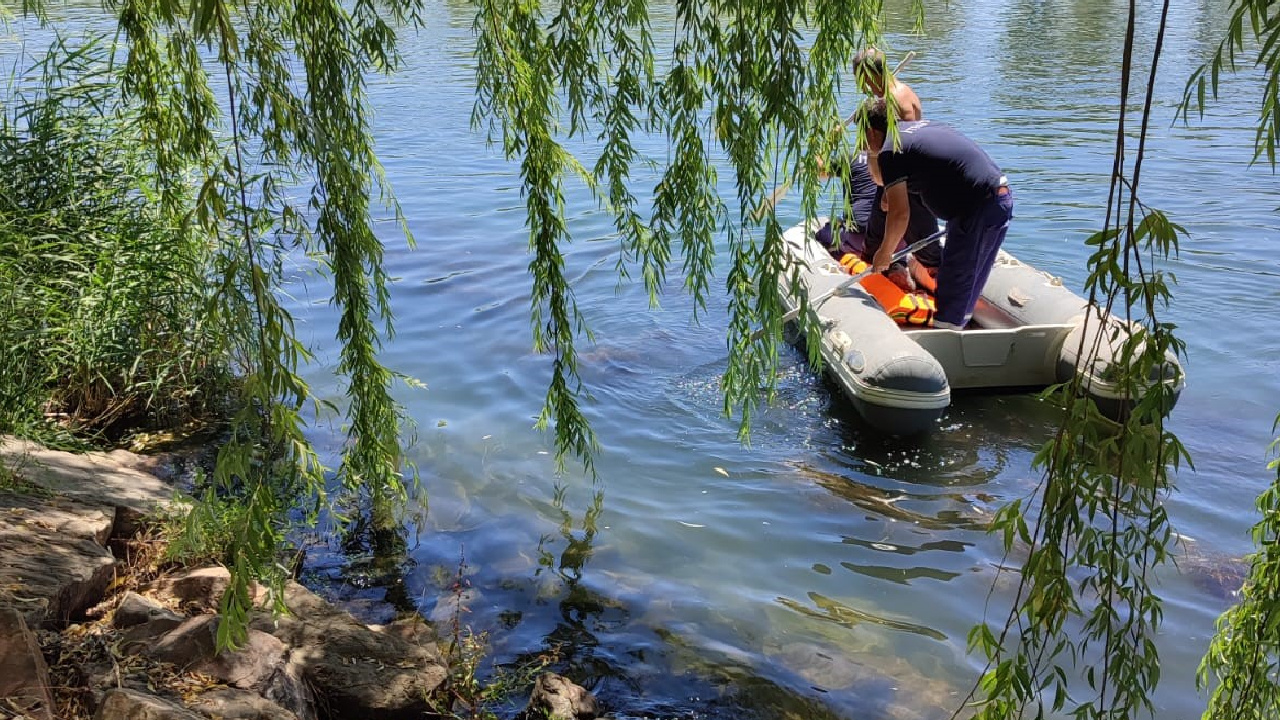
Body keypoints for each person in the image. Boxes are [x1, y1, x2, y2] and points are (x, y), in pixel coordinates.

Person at [860, 98, 1014, 329]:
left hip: (976, 208)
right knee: (967, 284)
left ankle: (947, 337)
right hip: (998, 198)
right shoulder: (917, 130)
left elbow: (900, 215)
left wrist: (885, 252)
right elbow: (917, 173)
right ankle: (959, 327)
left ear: (871, 132)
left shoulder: (890, 150)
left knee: (953, 287)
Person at [853, 48, 923, 122]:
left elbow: (911, 131)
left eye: (864, 82)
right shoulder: (895, 91)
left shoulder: (896, 99)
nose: (864, 90)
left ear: (873, 76)